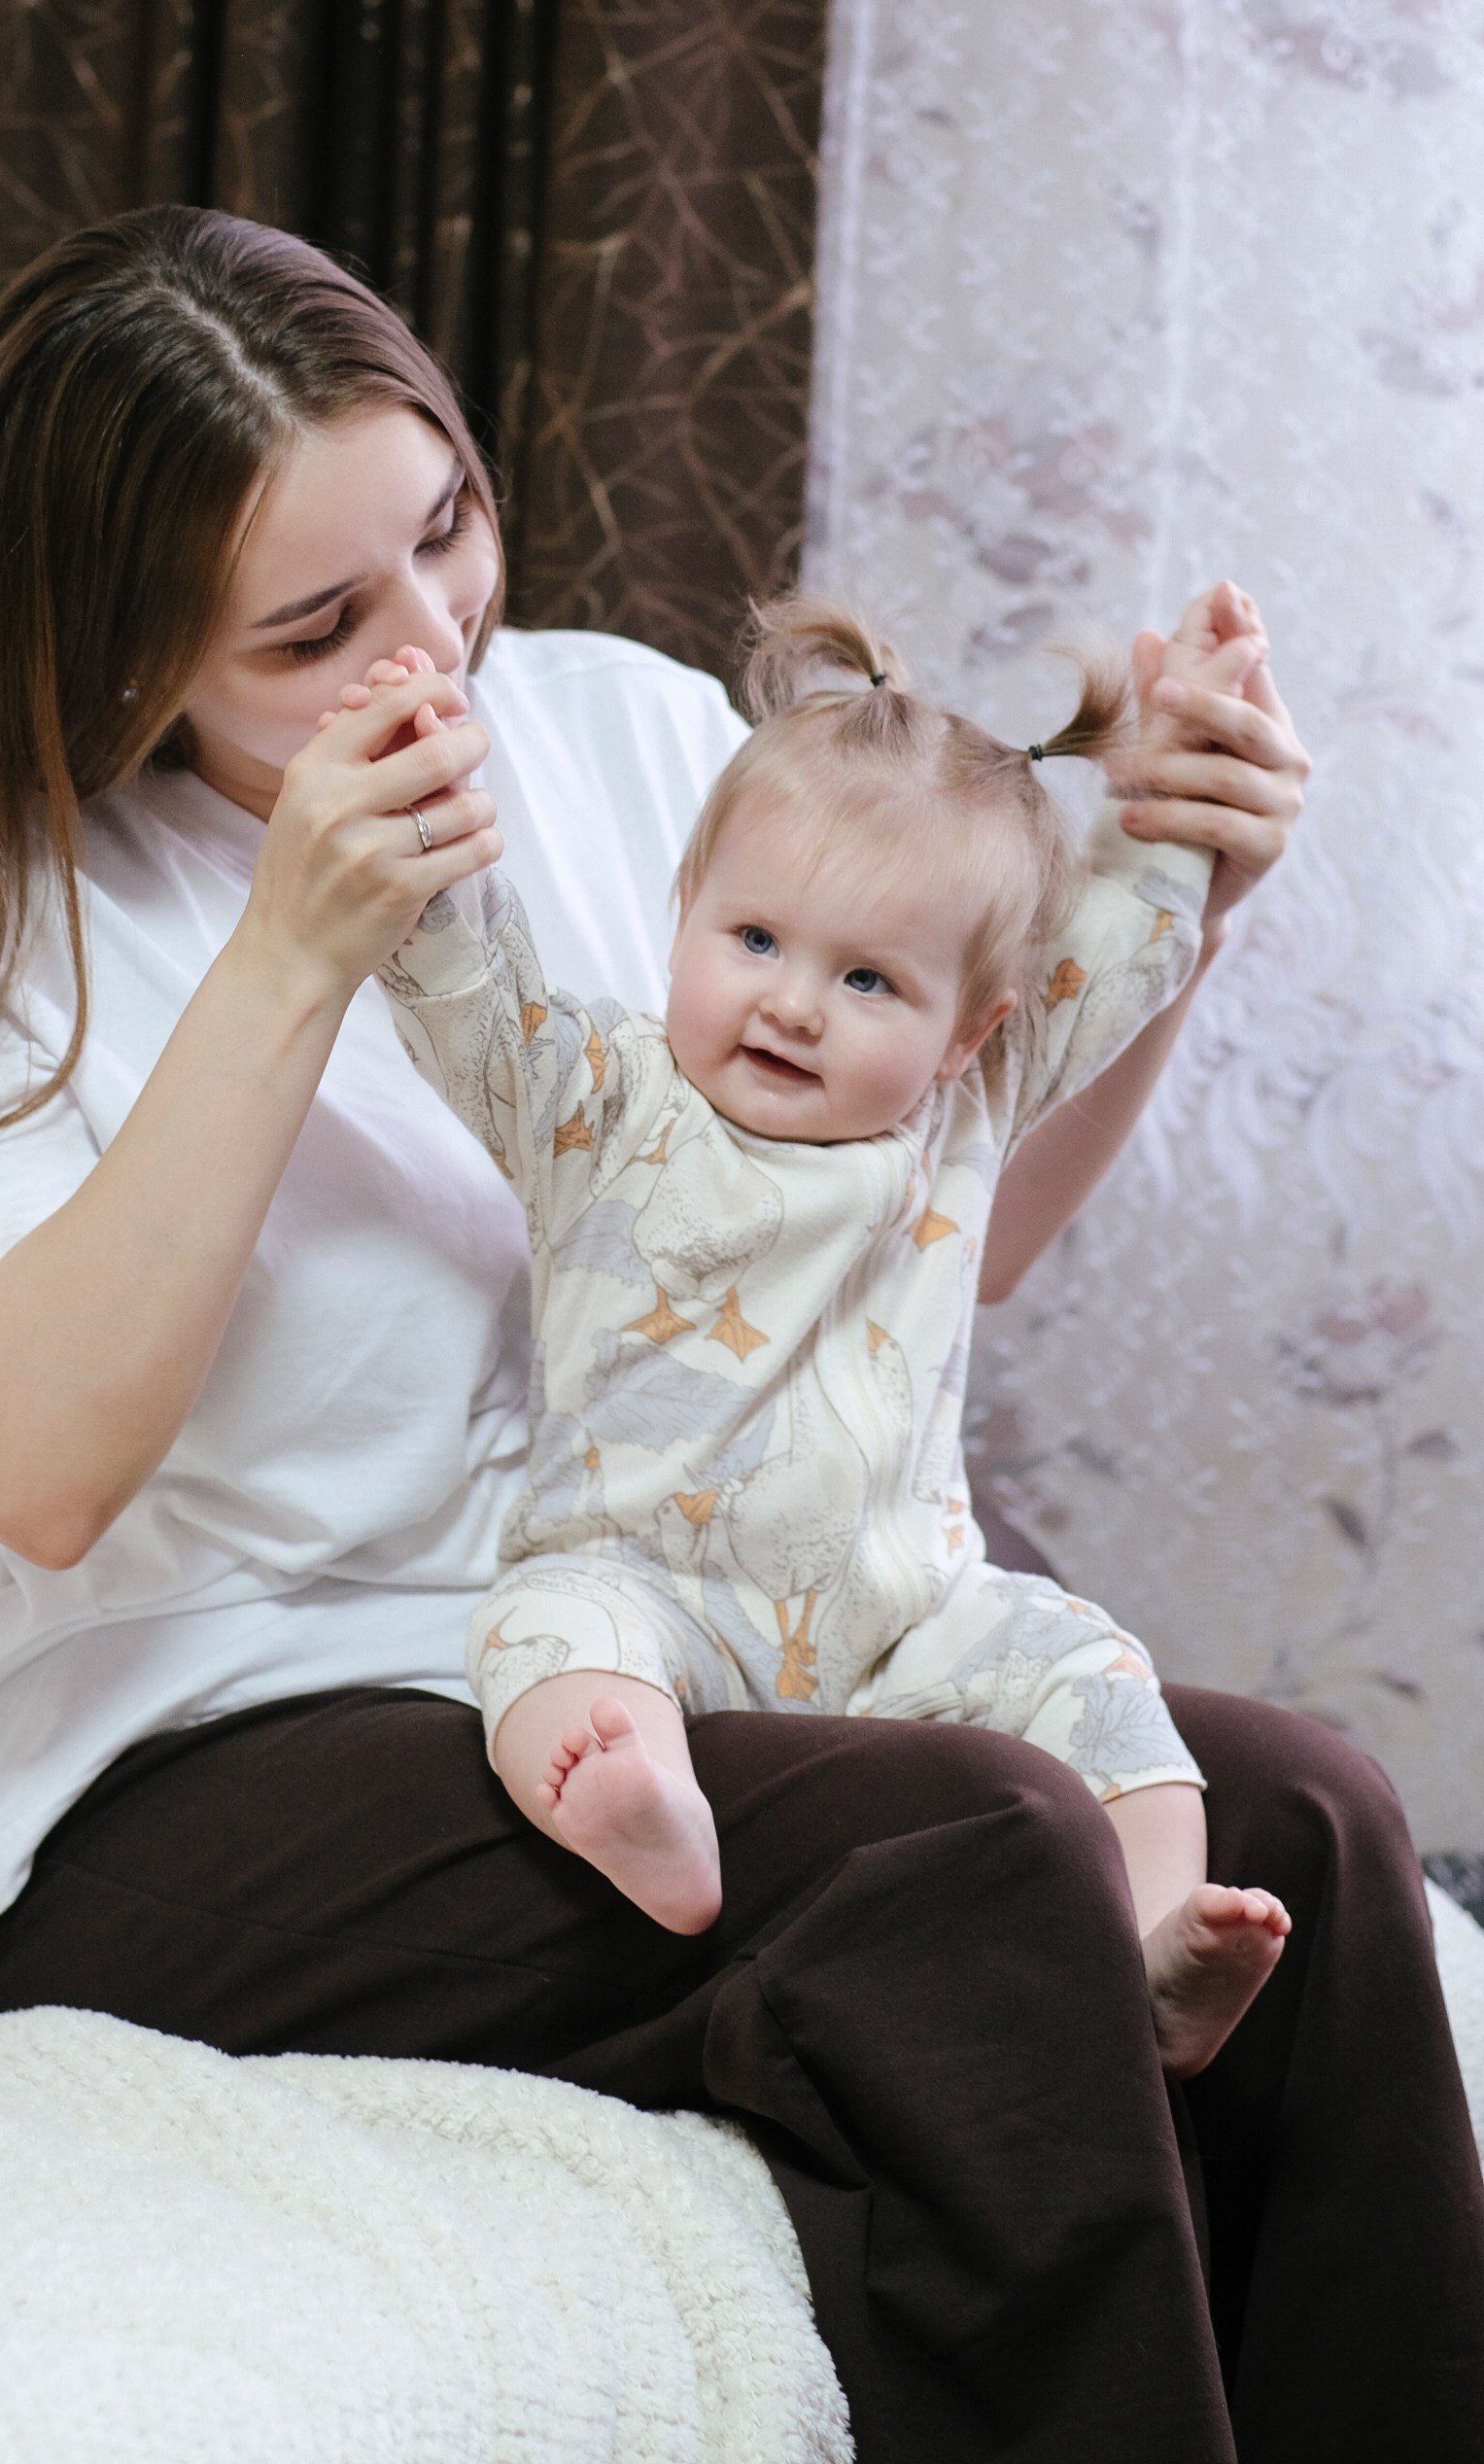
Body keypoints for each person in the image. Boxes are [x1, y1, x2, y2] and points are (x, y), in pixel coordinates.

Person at [0, 207, 1484, 2463]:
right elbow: (45, 1474)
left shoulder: (623, 739)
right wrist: (293, 960)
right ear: (117, 659)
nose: (430, 645)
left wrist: (1182, 916)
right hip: (176, 1762)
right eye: (315, 629)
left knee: (1315, 1815)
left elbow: (909, 1261)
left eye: (444, 535)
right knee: (974, 1844)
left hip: (652, 1664)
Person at [363, 597, 1291, 2076]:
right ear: (684, 911)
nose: (794, 1004)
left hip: (905, 1615)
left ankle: (1157, 1939)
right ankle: (635, 1801)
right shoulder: (603, 1098)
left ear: (972, 1029)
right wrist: (421, 786)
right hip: (652, 1587)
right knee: (544, 1638)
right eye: (754, 939)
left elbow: (1127, 943)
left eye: (868, 981)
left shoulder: (964, 1109)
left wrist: (1184, 767)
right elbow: (469, 992)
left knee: (1092, 1667)